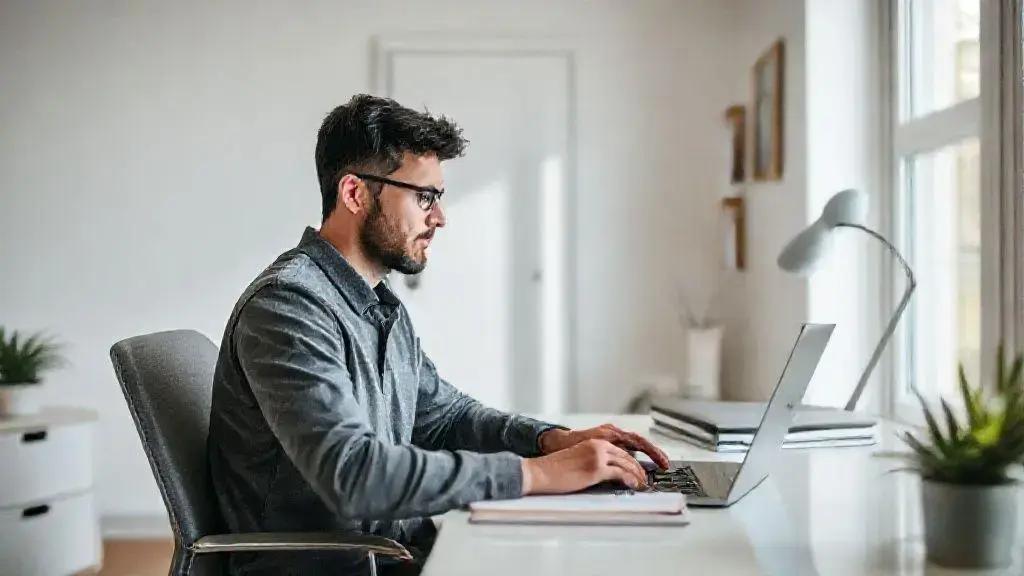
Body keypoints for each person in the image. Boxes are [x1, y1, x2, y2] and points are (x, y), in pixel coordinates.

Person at [208, 94, 670, 575]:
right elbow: (354, 474)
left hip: (398, 554)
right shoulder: (289, 308)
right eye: (423, 198)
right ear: (354, 194)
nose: (440, 218)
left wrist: (550, 441)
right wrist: (534, 475)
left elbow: (444, 417)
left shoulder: (380, 306)